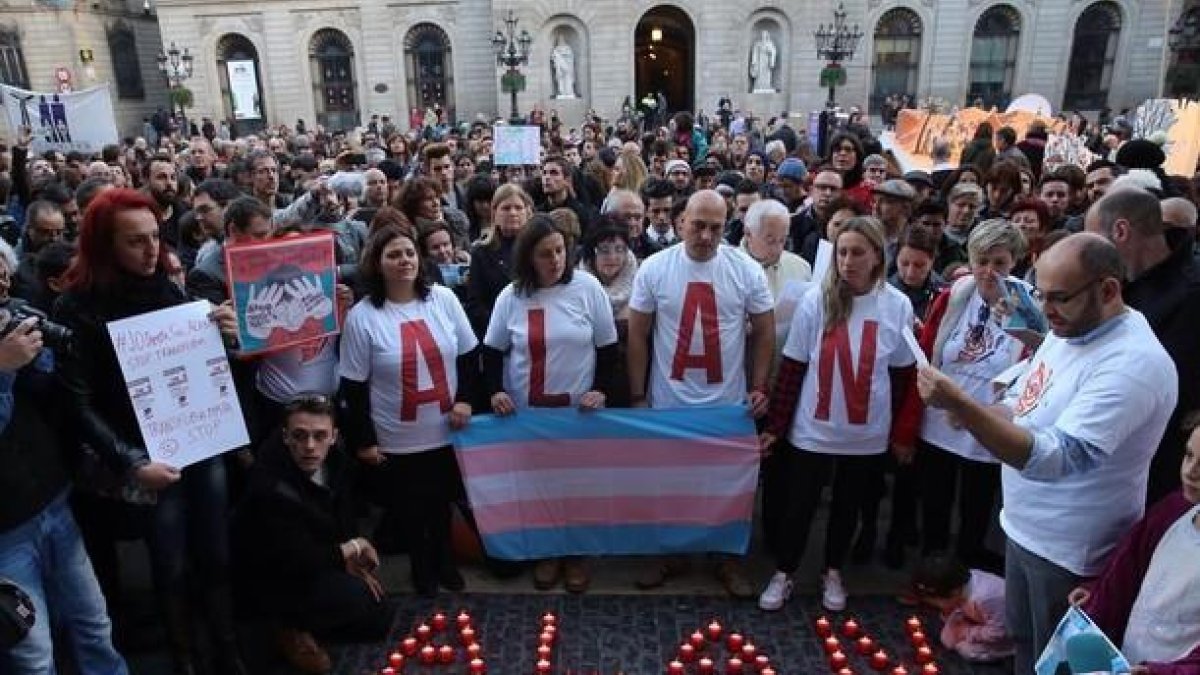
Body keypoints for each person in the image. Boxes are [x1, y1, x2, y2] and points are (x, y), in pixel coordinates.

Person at [916, 233, 1178, 675]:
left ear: (1108, 290)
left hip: (1070, 549)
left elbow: (1056, 459)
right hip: (1024, 527)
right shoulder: (1070, 328)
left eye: (1059, 297)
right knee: (1023, 643)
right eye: (1040, 293)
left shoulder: (1133, 363)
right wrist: (978, 412)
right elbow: (1023, 402)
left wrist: (963, 406)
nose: (1045, 309)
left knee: (1053, 661)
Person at [53, 189, 246, 675]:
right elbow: (76, 404)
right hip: (148, 456)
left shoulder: (168, 288)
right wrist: (131, 462)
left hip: (202, 443)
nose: (150, 250)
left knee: (217, 552)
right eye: (135, 241)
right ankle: (184, 659)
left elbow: (201, 366)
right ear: (104, 245)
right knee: (170, 561)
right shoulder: (77, 307)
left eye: (155, 237)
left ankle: (227, 650)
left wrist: (222, 334)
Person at [758, 216, 916, 612]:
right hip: (813, 429)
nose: (847, 261)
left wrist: (898, 432)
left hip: (865, 433)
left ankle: (833, 571)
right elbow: (793, 366)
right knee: (799, 506)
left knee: (848, 506)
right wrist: (777, 427)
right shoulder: (816, 300)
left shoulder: (896, 305)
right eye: (842, 252)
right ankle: (785, 571)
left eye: (857, 253)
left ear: (877, 256)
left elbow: (901, 374)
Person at [627, 190, 774, 597]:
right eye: (698, 225)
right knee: (668, 485)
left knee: (726, 486)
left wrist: (759, 385)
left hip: (726, 405)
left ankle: (725, 558)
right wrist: (638, 395)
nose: (706, 236)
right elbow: (637, 334)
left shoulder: (745, 270)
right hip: (668, 402)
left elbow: (765, 331)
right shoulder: (655, 268)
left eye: (715, 228)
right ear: (681, 223)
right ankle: (669, 554)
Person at [0, 241, 128, 674]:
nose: (2, 281)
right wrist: (2, 371)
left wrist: (42, 354)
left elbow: (54, 395)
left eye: (4, 272)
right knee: (33, 655)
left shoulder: (14, 320)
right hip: (5, 531)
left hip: (53, 501)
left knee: (94, 626)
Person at [339, 226, 478, 596]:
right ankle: (422, 566)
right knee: (411, 508)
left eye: (409, 253)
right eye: (394, 255)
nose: (404, 261)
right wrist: (364, 440)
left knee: (443, 501)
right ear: (377, 263)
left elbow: (468, 354)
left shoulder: (443, 299)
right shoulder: (362, 316)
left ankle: (445, 560)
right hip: (397, 435)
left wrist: (466, 399)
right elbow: (353, 386)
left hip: (447, 427)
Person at [482, 215, 618, 592]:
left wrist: (601, 389)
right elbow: (491, 351)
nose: (555, 259)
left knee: (577, 486)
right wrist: (495, 391)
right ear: (528, 257)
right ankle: (547, 551)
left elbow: (608, 348)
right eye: (545, 253)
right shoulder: (511, 297)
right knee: (538, 486)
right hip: (529, 417)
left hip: (577, 416)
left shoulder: (587, 288)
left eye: (560, 250)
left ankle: (575, 553)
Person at [893, 219, 1036, 573]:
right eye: (981, 261)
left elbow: (1036, 365)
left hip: (989, 424)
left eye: (999, 262)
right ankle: (932, 572)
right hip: (938, 423)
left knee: (976, 508)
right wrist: (907, 428)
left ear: (1014, 261)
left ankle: (966, 577)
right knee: (934, 503)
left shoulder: (1029, 305)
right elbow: (926, 359)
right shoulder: (954, 296)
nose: (989, 271)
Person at [234, 394, 391, 675]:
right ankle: (287, 629)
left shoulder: (338, 464)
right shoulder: (268, 483)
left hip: (319, 559)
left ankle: (315, 624)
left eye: (319, 436)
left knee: (377, 614)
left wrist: (350, 559)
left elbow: (344, 517)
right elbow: (293, 557)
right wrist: (352, 548)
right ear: (285, 436)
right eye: (300, 436)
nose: (309, 446)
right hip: (277, 579)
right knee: (353, 597)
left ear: (333, 437)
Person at [1085, 188, 1200, 505]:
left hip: (1155, 469)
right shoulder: (1123, 283)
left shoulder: (1192, 296)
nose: (1089, 255)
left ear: (1121, 231)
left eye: (1094, 242)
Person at [1071, 413, 1200, 675]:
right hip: (1127, 660)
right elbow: (1127, 566)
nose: (1190, 471)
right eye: (1189, 455)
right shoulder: (1173, 510)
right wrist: (1098, 593)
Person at [911, 556, 1013, 663]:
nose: (937, 607)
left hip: (1010, 632)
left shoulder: (987, 599)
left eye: (936, 603)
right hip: (981, 620)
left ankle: (1007, 653)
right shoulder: (961, 586)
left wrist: (966, 632)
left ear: (954, 592)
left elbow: (998, 633)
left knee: (967, 650)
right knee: (947, 639)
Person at [467, 184, 534, 336]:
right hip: (499, 333)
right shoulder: (481, 252)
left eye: (518, 207)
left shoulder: (537, 249)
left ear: (527, 212)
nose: (513, 213)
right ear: (494, 213)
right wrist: (504, 327)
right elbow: (475, 305)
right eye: (506, 208)